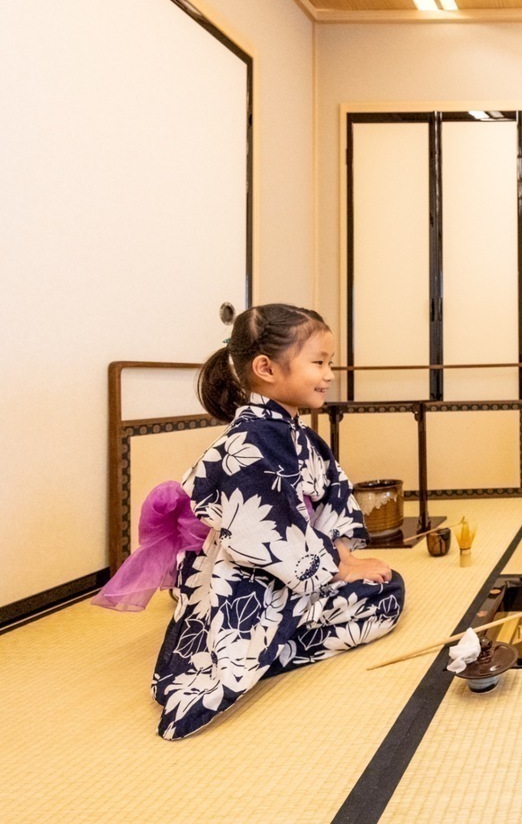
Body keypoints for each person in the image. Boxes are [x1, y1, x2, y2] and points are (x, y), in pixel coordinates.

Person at [104, 304, 406, 740]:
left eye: (330, 363)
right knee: (386, 595)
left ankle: (276, 637)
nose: (329, 374)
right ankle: (269, 648)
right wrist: (340, 568)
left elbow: (331, 498)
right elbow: (265, 534)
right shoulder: (251, 439)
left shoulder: (294, 434)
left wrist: (342, 557)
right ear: (266, 367)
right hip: (247, 581)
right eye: (319, 363)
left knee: (381, 583)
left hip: (294, 568)